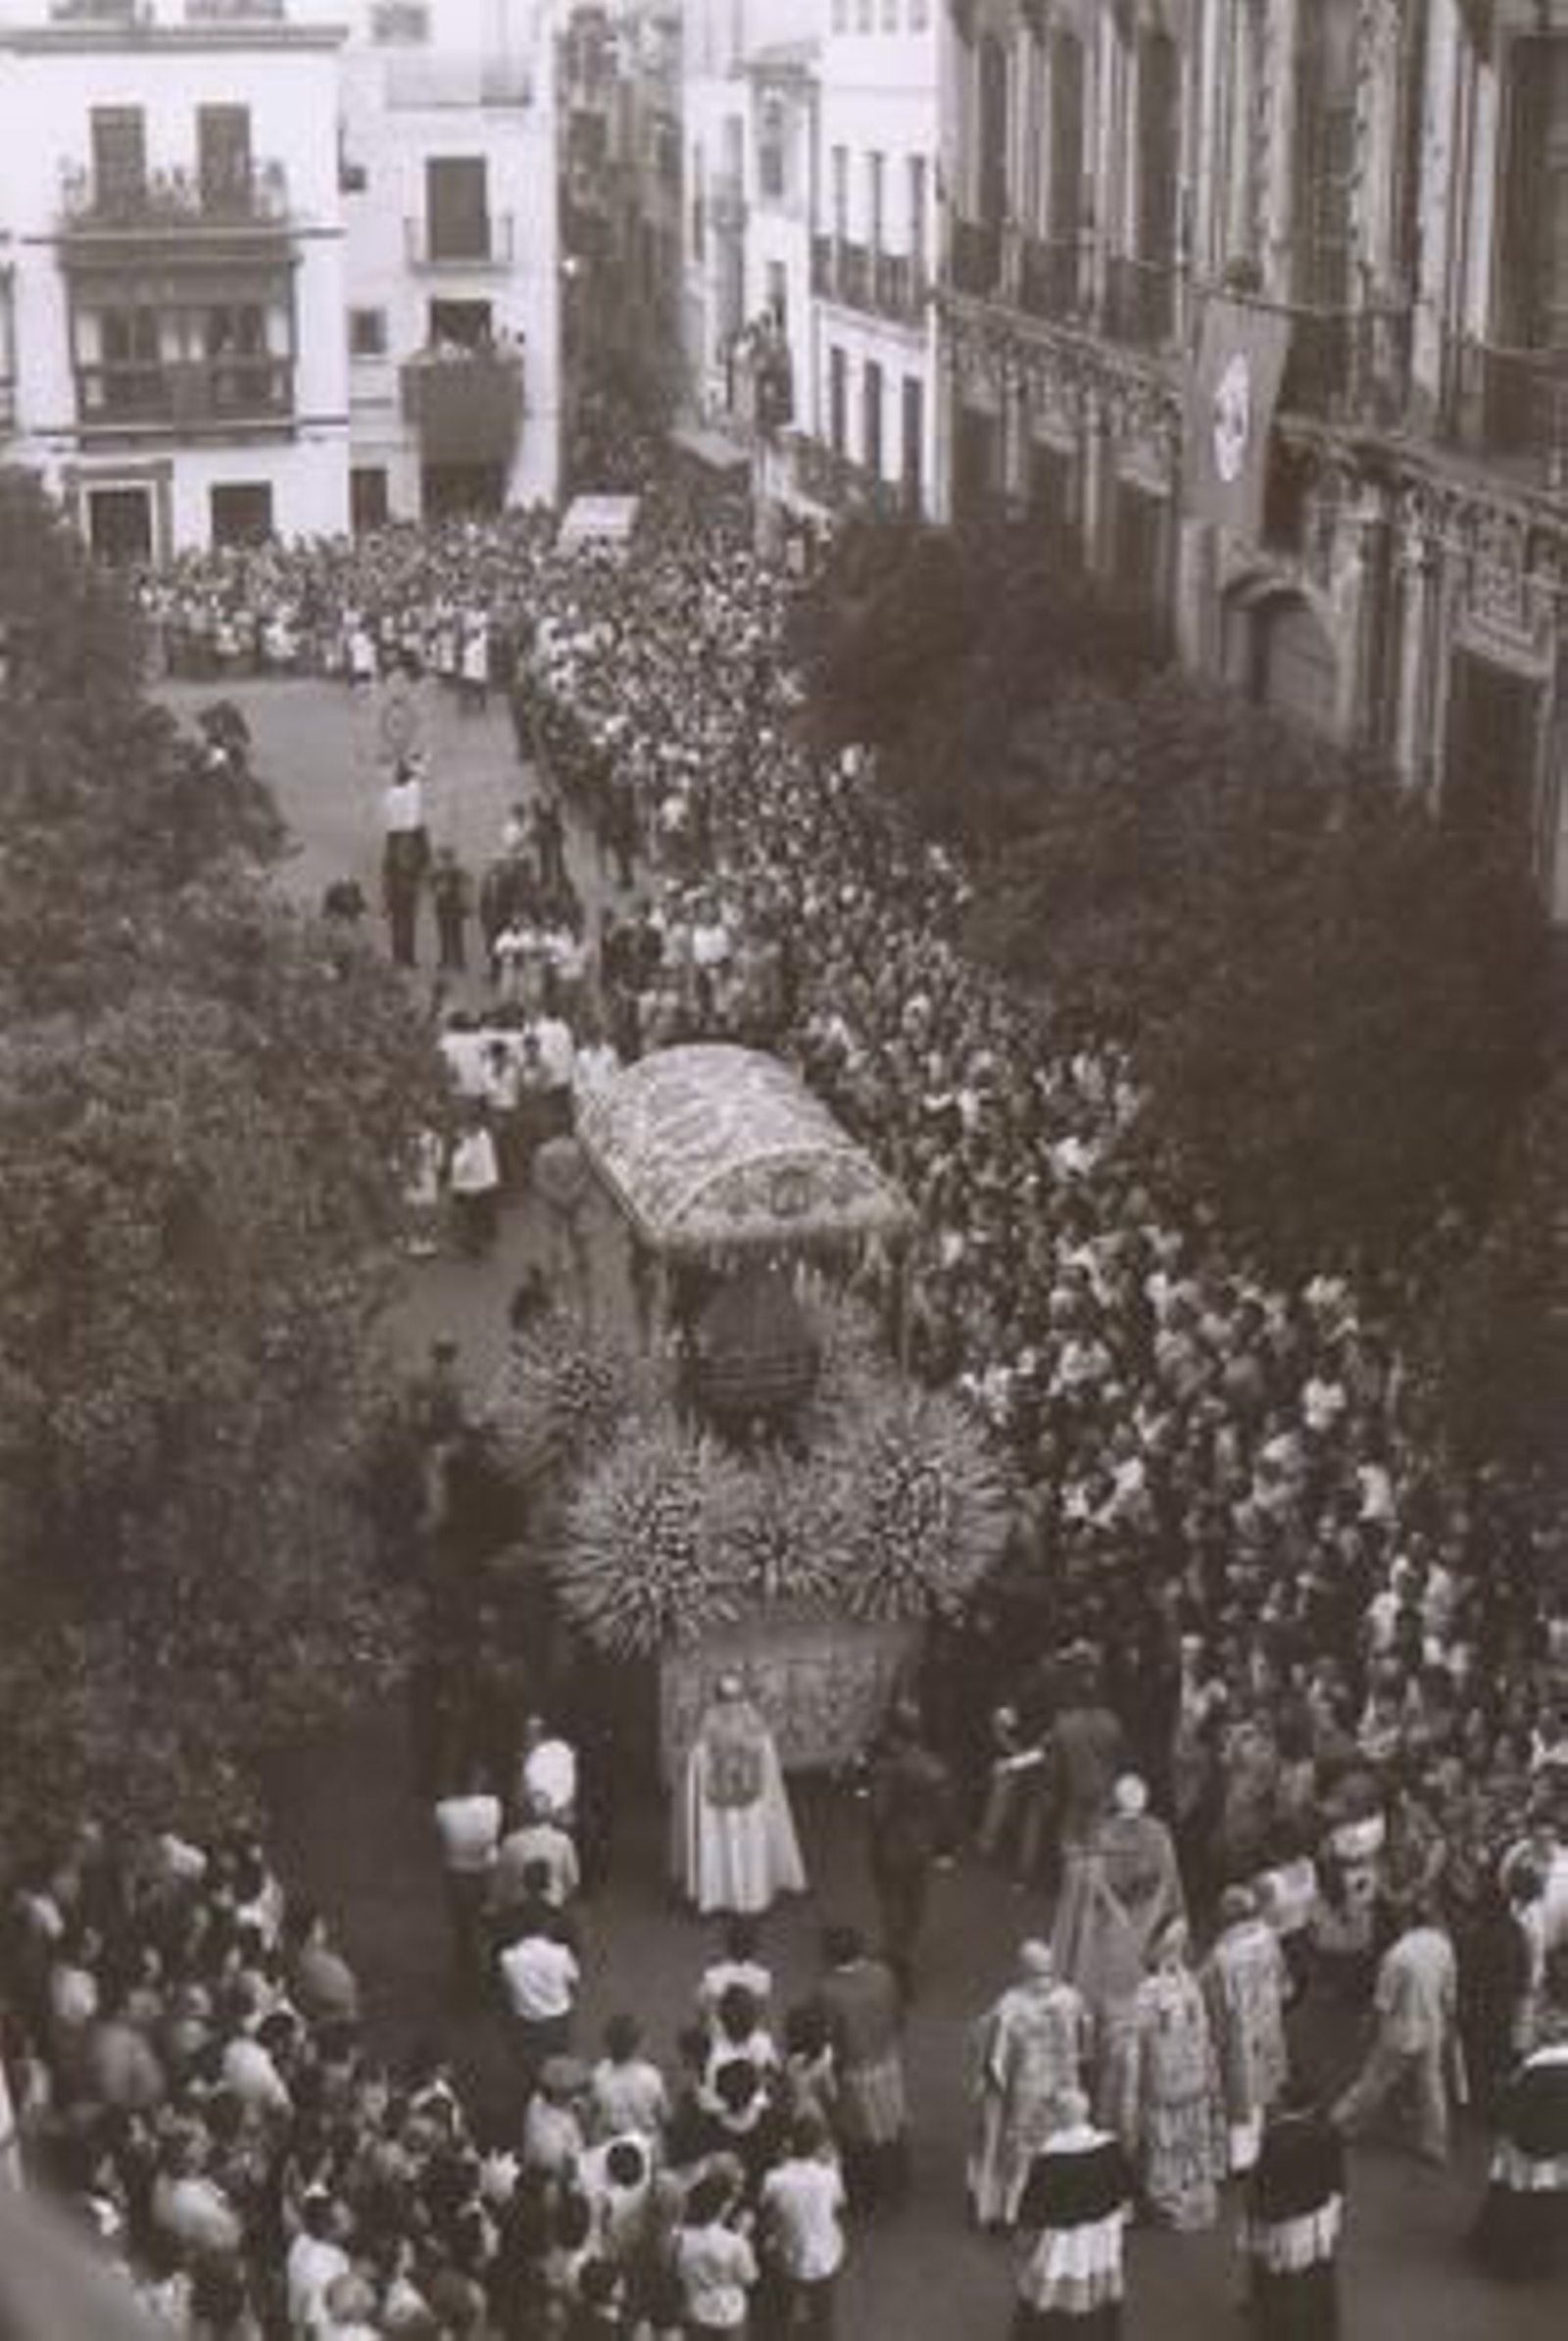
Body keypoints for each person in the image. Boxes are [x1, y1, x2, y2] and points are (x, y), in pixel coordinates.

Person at [1052, 1775, 1184, 2122]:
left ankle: (1099, 2066)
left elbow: (1084, 1895)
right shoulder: (1159, 1834)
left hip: (1104, 1936)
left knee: (1099, 2001)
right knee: (1140, 2003)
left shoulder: (1100, 1837)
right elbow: (1170, 1885)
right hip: (1147, 1931)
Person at [968, 1941, 1090, 2232]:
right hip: (1043, 2086)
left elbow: (992, 2049)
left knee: (1031, 2147)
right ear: (1025, 1971)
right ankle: (1021, 2208)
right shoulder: (1066, 1997)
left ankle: (1015, 2210)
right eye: (1037, 1973)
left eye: (1046, 1972)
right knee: (1030, 2147)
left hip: (1042, 2085)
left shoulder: (1014, 2003)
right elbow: (1086, 2036)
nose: (1043, 1980)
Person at [1116, 1917, 1226, 2232]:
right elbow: (1136, 2038)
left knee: (1186, 2138)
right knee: (1165, 2139)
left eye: (1180, 1944)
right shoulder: (1151, 1991)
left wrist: (1207, 2063)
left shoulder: (1187, 1982)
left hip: (1188, 2076)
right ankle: (1168, 2193)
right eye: (1171, 1946)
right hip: (1165, 2077)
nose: (1176, 1951)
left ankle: (1184, 2191)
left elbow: (1202, 2026)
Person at [1332, 1901, 1460, 2166]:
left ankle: (1341, 2123)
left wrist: (1367, 2028)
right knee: (1432, 2086)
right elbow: (1449, 1992)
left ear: (1406, 1921)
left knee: (1374, 2080)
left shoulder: (1397, 1955)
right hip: (1433, 2025)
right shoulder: (1443, 1944)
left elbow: (1382, 2004)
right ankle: (1435, 2145)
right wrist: (1449, 2021)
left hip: (1400, 2031)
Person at [1009, 2089, 1134, 2341]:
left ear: (1060, 2118)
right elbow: (1125, 2196)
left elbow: (1031, 2214)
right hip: (1101, 2240)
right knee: (1096, 2294)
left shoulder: (1049, 2159)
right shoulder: (1111, 2147)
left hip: (1061, 2244)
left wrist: (1022, 2246)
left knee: (1053, 2295)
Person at [1471, 1963, 1568, 2281]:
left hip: (1526, 2147)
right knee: (1549, 2206)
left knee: (1515, 2203)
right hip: (1559, 2152)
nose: (1541, 2020)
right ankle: (1542, 2263)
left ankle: (1506, 2260)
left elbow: (1508, 2110)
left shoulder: (1539, 2068)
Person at [677, 1678, 805, 1918]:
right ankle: (731, 1894)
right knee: (730, 1839)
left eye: (734, 1699)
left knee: (741, 1839)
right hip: (724, 1805)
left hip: (740, 1803)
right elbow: (698, 1753)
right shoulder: (712, 1723)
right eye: (727, 1699)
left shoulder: (745, 1722)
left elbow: (762, 1745)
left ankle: (746, 1894)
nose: (731, 1706)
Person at [865, 1701, 957, 1998]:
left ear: (895, 1735)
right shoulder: (935, 1767)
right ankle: (906, 1951)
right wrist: (944, 1848)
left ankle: (897, 1962)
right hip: (921, 1846)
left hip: (890, 1845)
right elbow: (945, 1813)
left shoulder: (887, 1769)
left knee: (891, 1904)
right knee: (916, 1903)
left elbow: (878, 1812)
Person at [812, 1926, 907, 2211]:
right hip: (887, 2060)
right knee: (890, 2123)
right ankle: (897, 2181)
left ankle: (868, 2194)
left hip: (854, 2070)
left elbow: (826, 2036)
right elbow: (899, 2016)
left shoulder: (827, 1991)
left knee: (858, 2135)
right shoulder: (883, 1974)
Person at [1241, 2089, 1347, 2340]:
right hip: (1320, 2213)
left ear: (1286, 2103)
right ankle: (1323, 2326)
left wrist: (1253, 2212)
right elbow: (1338, 2179)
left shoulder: (1275, 2137)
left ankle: (1274, 2325)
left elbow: (1264, 2182)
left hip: (1284, 2216)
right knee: (1319, 2271)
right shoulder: (1329, 2130)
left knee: (1275, 2274)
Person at [1200, 1884, 1291, 2174]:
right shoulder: (1267, 1937)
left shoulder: (1221, 1956)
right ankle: (1264, 2141)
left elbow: (1213, 2003)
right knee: (1264, 2085)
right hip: (1267, 2020)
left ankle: (1242, 2159)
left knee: (1241, 2093)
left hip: (1238, 2032)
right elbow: (1283, 1981)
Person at [759, 2112, 846, 2340]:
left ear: (789, 2144)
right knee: (823, 2312)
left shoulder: (774, 2178)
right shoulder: (830, 2176)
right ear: (818, 2147)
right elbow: (839, 2203)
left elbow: (764, 2206)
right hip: (825, 2254)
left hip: (787, 2254)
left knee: (783, 2309)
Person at [670, 2167, 758, 2340]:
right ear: (721, 2207)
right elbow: (750, 2278)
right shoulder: (735, 2243)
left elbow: (675, 2272)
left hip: (695, 2313)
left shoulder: (678, 2238)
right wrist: (742, 2235)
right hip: (730, 2316)